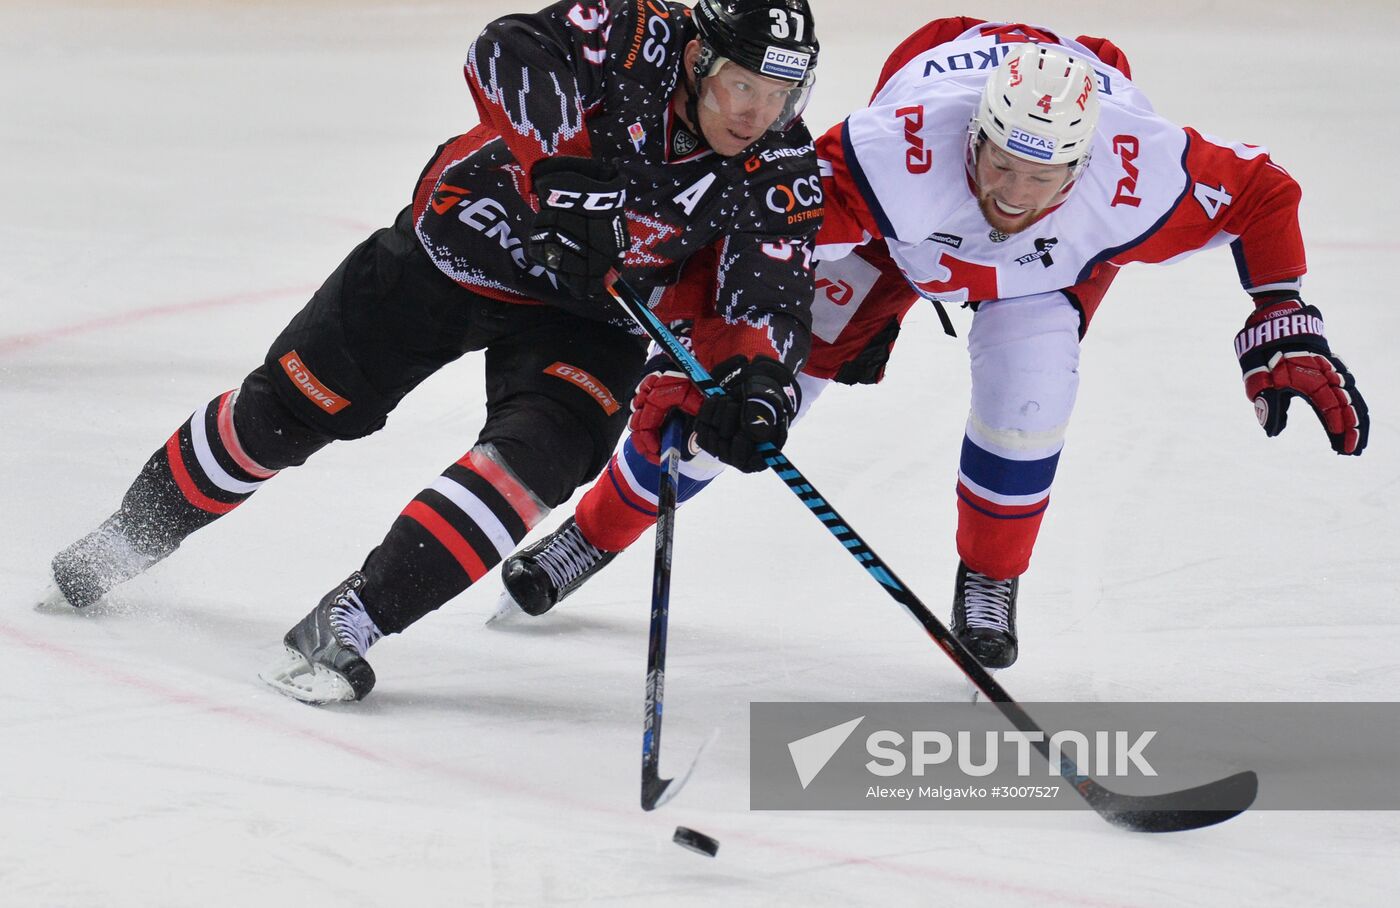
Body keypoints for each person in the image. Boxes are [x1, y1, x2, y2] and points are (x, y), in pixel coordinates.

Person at [496, 18, 1370, 672]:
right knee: (757, 398)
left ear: (1087, 163)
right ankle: (595, 533)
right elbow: (756, 233)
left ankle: (990, 577)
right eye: (999, 165)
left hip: (1046, 274)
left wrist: (1281, 313)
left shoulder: (1145, 174)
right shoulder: (892, 159)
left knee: (1031, 402)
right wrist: (719, 354)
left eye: (1042, 177)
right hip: (896, 238)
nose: (1014, 197)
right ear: (975, 135)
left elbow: (1265, 193)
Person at [38, 0, 825, 703]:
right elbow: (507, 49)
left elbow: (773, 296)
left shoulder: (782, 168)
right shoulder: (633, 34)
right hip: (458, 248)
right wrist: (561, 173)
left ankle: (351, 622)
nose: (757, 114)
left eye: (778, 95)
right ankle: (130, 536)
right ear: (696, 59)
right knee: (290, 411)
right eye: (741, 86)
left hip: (595, 314)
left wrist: (756, 389)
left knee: (542, 457)